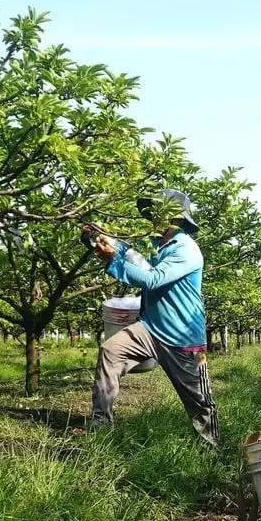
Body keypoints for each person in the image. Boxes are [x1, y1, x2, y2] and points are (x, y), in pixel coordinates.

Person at [83, 189, 220, 447]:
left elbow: (153, 280)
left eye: (158, 212)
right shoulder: (157, 245)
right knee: (110, 351)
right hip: (150, 328)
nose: (152, 217)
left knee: (199, 400)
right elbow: (132, 257)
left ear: (175, 218)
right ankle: (100, 429)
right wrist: (97, 239)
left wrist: (114, 261)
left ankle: (211, 447)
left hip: (183, 338)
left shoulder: (186, 250)